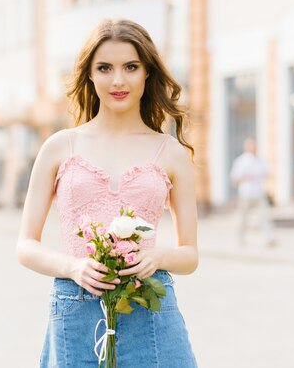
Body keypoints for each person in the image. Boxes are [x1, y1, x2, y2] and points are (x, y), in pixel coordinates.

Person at [16, 19, 198, 367]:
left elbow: (190, 254)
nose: (118, 80)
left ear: (147, 73)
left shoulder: (170, 152)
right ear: (90, 75)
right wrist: (73, 266)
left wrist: (157, 257)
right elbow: (25, 245)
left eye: (131, 67)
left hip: (151, 309)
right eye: (105, 68)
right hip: (76, 309)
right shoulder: (59, 147)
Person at [230, 138, 276, 247]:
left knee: (264, 217)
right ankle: (240, 238)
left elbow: (267, 174)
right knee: (243, 218)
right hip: (246, 194)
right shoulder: (241, 161)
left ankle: (269, 238)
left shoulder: (260, 161)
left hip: (258, 193)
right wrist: (246, 177)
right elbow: (234, 178)